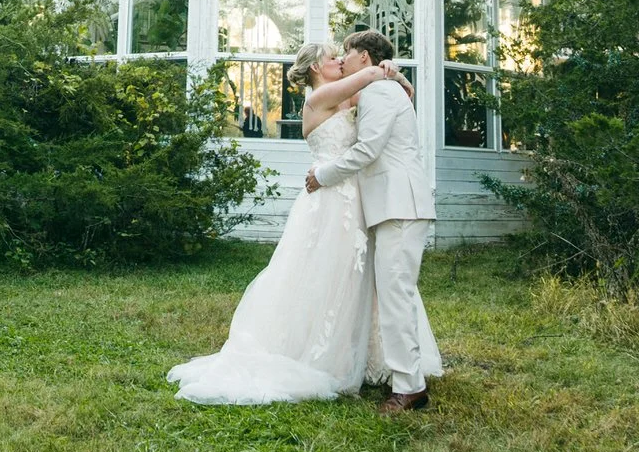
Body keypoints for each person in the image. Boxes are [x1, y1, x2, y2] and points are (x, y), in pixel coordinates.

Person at [166, 41, 418, 405]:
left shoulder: (348, 97)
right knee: (324, 275)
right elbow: (372, 75)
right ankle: (317, 352)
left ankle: (364, 355)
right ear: (316, 67)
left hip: (357, 199)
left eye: (341, 55)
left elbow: (386, 98)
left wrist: (399, 79)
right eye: (332, 57)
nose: (338, 60)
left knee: (356, 278)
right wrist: (385, 68)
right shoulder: (320, 99)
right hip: (330, 200)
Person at [305, 28, 443, 413]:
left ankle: (409, 388)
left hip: (400, 205)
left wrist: (324, 175)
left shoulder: (380, 92)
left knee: (397, 296)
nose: (342, 62)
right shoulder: (376, 88)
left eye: (346, 55)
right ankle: (406, 378)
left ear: (363, 57)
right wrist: (397, 74)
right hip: (391, 205)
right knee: (394, 294)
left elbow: (368, 149)